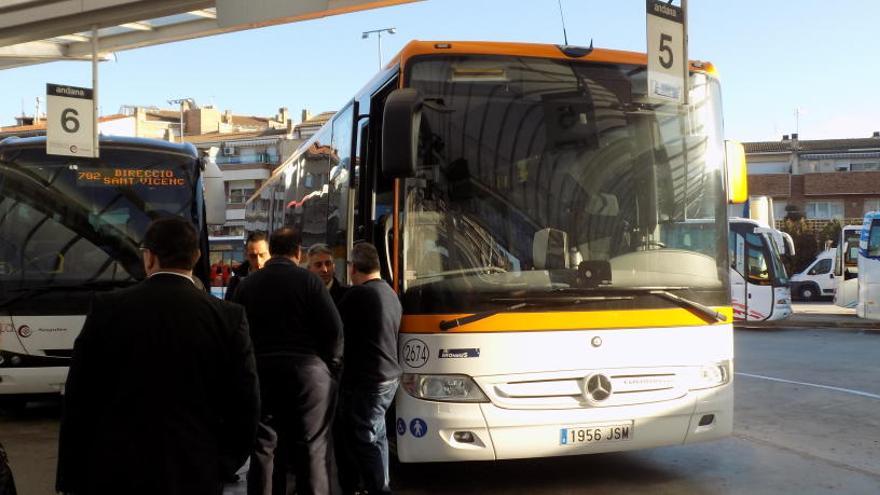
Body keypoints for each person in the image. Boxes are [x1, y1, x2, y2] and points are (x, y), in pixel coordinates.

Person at [56, 216, 260, 495]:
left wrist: (71, 477)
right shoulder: (228, 317)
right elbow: (246, 403)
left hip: (118, 470)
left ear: (149, 257)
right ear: (197, 256)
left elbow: (80, 397)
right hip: (195, 468)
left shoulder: (108, 308)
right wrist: (222, 464)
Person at [234, 228, 343, 495]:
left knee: (264, 447)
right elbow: (334, 332)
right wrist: (330, 368)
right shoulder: (310, 282)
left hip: (262, 373)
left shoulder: (247, 286)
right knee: (313, 448)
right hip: (308, 374)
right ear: (298, 252)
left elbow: (237, 334)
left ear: (271, 250)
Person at [336, 242, 402, 495]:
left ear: (353, 268)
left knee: (364, 437)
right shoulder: (389, 292)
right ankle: (381, 482)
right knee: (378, 434)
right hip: (389, 377)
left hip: (368, 379)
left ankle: (379, 488)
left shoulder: (358, 295)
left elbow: (336, 333)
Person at [225, 231, 270, 301]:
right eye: (253, 256)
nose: (258, 261)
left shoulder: (280, 279)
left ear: (270, 254)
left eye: (262, 255)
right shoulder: (235, 282)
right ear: (246, 255)